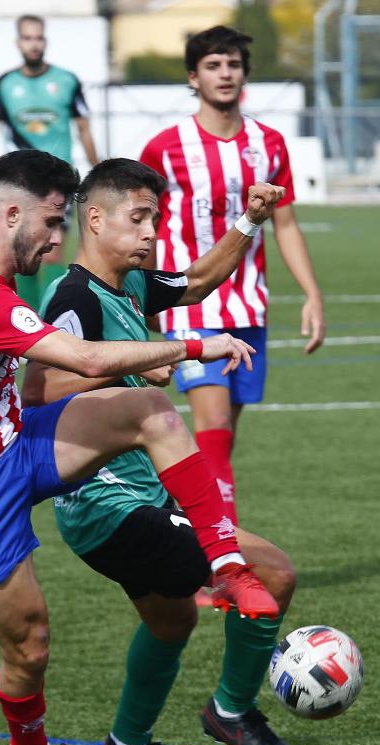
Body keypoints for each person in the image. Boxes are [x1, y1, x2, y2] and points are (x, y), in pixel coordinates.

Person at [0, 149, 278, 745]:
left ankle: (226, 565)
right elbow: (80, 361)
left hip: (14, 440)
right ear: (12, 214)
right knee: (29, 645)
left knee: (151, 411)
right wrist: (194, 346)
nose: (57, 240)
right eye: (51, 222)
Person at [23, 158, 304, 745]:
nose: (151, 231)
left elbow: (197, 281)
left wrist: (250, 221)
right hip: (108, 504)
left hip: (142, 497)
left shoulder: (131, 285)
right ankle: (232, 712)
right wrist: (140, 359)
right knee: (273, 575)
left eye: (155, 218)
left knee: (172, 621)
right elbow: (39, 389)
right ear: (96, 220)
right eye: (138, 218)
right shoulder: (74, 297)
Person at [139, 26, 326, 535]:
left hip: (247, 307)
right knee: (214, 428)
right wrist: (143, 293)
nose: (224, 74)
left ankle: (185, 527)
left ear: (245, 74)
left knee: (219, 441)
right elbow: (145, 226)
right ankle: (225, 557)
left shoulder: (269, 144)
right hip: (189, 305)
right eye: (213, 65)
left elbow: (286, 224)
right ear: (192, 77)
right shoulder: (165, 148)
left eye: (233, 65)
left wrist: (312, 294)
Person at [0, 14, 101, 312]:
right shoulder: (5, 84)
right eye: (28, 38)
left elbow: (84, 130)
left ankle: (52, 321)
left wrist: (99, 174)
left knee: (52, 251)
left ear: (46, 41)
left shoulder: (67, 81)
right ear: (18, 43)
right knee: (21, 253)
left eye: (39, 38)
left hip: (58, 182)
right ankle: (26, 321)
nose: (34, 44)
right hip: (20, 183)